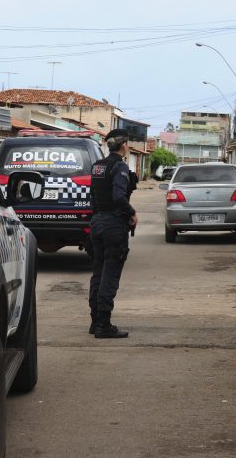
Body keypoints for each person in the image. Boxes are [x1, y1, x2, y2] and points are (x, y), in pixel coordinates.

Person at [88, 129, 138, 338]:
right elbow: (118, 196)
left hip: (97, 222)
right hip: (113, 225)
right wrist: (131, 213)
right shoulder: (120, 167)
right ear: (124, 145)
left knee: (98, 273)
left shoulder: (97, 166)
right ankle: (103, 325)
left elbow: (92, 196)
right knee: (110, 275)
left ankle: (95, 321)